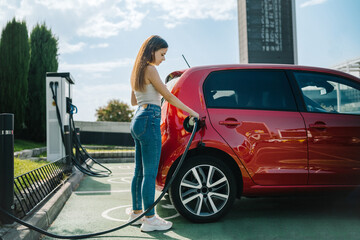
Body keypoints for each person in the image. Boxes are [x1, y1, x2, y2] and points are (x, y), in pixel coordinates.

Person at [128, 35, 199, 232]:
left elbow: (134, 101)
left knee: (139, 172)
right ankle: (150, 219)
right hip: (150, 118)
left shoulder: (136, 70)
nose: (163, 59)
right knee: (150, 173)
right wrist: (192, 112)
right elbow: (167, 96)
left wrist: (151, 94)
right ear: (152, 50)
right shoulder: (151, 69)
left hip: (137, 119)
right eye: (162, 54)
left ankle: (136, 212)